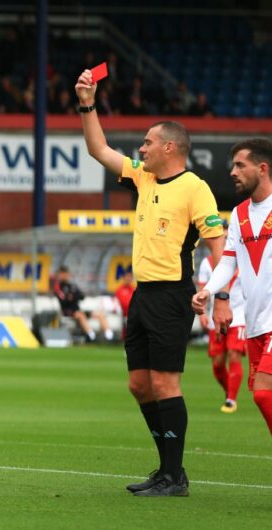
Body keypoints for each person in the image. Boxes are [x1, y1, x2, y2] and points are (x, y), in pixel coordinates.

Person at [76, 69, 225, 497]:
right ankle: (166, 470)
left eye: (147, 142)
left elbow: (218, 247)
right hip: (143, 295)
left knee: (165, 383)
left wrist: (219, 295)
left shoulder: (195, 188)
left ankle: (174, 477)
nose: (141, 148)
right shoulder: (143, 176)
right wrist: (87, 101)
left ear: (169, 147)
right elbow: (97, 147)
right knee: (139, 384)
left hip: (172, 295)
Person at [193, 138, 272, 442]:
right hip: (255, 322)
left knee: (264, 394)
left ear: (262, 168)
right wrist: (209, 291)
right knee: (261, 397)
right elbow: (227, 261)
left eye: (240, 165)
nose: (233, 172)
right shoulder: (238, 215)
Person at [196, 254, 246, 413]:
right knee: (217, 364)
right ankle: (229, 390)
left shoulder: (243, 258)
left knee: (234, 354)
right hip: (215, 318)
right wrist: (202, 313)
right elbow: (202, 288)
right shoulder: (206, 262)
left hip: (238, 317)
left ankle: (231, 399)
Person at [52, 266, 114, 342]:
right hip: (67, 311)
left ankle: (109, 336)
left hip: (78, 310)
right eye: (62, 274)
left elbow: (82, 296)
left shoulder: (72, 285)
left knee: (99, 314)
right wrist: (73, 296)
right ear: (59, 275)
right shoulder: (58, 287)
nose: (64, 275)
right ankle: (92, 336)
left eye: (66, 273)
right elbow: (64, 300)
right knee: (81, 315)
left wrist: (73, 296)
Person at [113, 270, 136, 339]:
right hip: (124, 313)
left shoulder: (134, 289)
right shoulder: (119, 290)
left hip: (134, 312)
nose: (128, 279)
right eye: (127, 277)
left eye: (130, 277)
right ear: (123, 278)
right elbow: (119, 302)